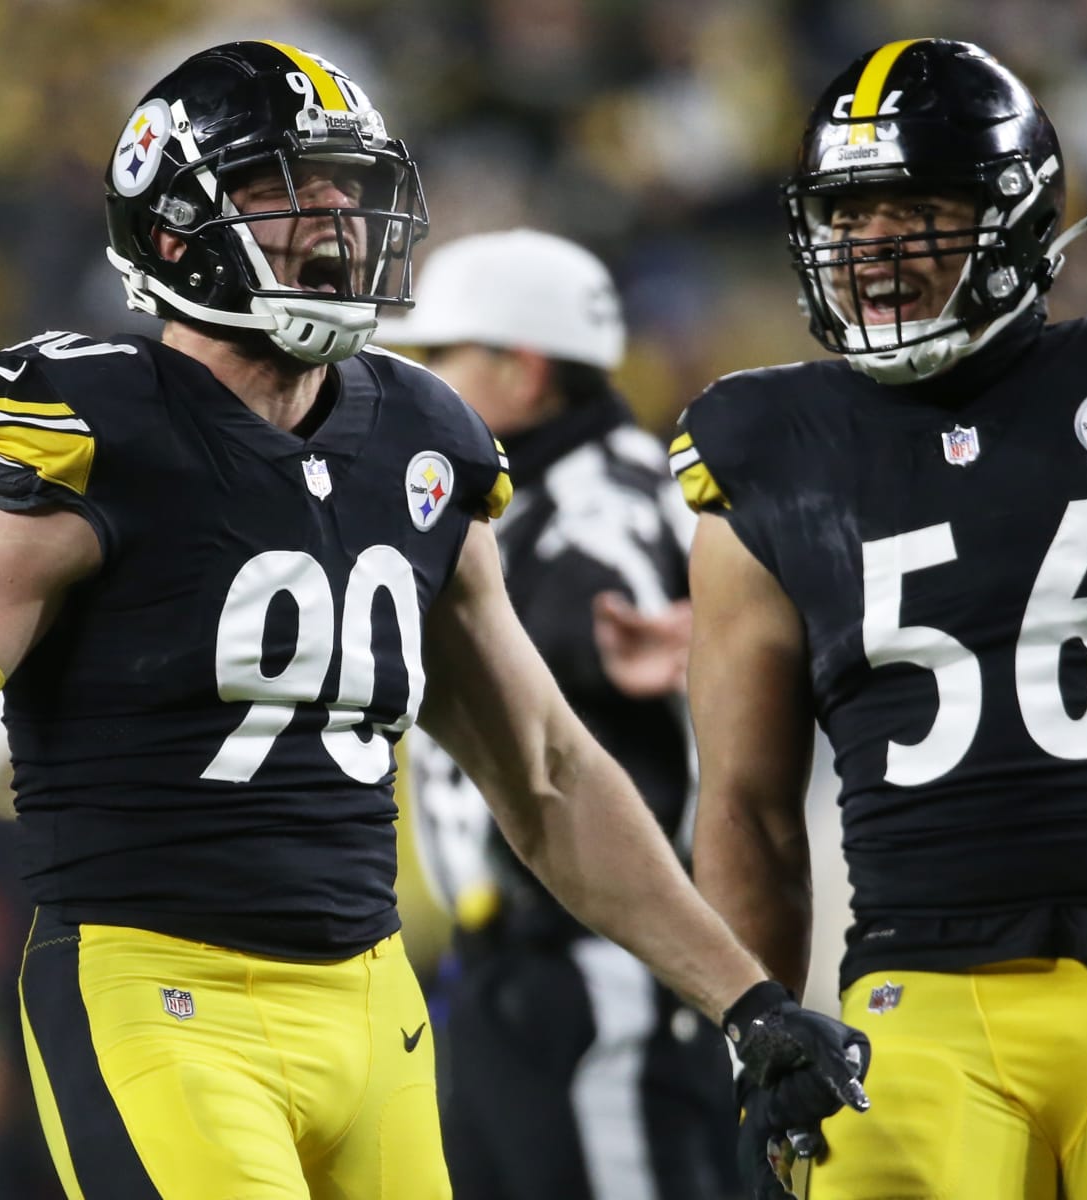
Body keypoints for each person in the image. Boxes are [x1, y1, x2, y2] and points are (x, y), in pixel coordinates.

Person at [0, 39, 867, 1200]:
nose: (336, 217)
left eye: (347, 185)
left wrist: (745, 1002)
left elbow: (545, 773)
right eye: (284, 187)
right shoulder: (86, 428)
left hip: (376, 1005)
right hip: (158, 993)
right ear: (173, 225)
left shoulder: (421, 435)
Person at [671, 34, 1087, 1200]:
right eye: (849, 216)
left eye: (917, 207)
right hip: (925, 993)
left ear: (1012, 217)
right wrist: (757, 1026)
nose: (875, 245)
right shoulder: (763, 445)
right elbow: (748, 805)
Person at [375, 227, 737, 1200]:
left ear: (522, 368)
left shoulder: (597, 501)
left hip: (598, 963)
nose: (425, 380)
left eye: (442, 356)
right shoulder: (527, 493)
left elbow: (609, 618)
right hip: (522, 965)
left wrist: (598, 643)